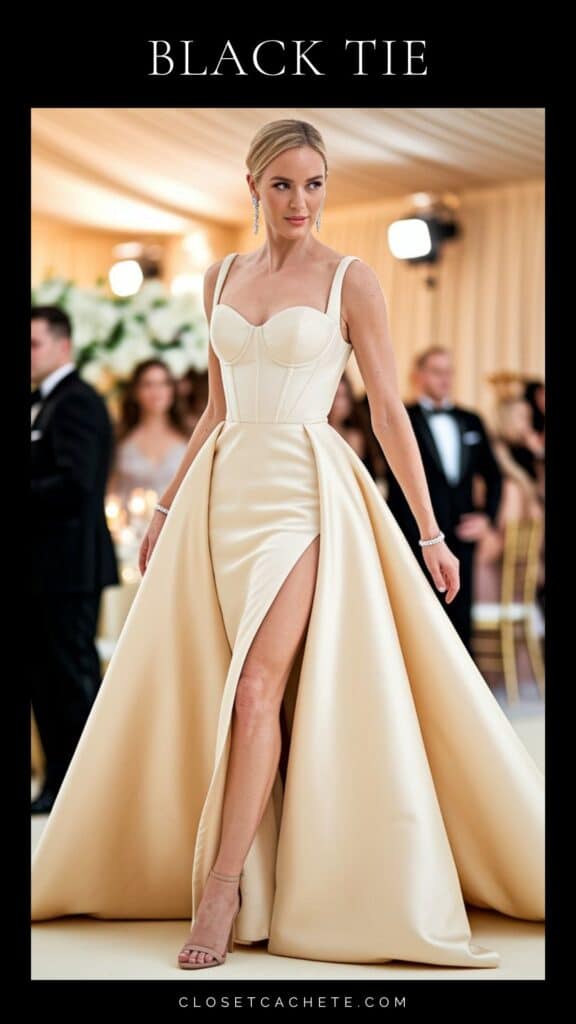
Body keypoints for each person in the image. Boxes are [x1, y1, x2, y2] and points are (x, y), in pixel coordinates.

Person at [31, 120, 544, 972]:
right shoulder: (220, 276)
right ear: (254, 188)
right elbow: (215, 408)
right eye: (283, 185)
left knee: (258, 689)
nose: (301, 201)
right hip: (224, 490)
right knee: (227, 686)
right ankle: (263, 868)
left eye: (314, 184)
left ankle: (223, 887)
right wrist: (165, 509)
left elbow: (388, 412)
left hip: (305, 491)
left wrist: (429, 529)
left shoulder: (352, 279)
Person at [30, 306, 119, 813]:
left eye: (34, 344)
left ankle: (85, 792)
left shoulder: (78, 401)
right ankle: (58, 783)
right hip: (46, 569)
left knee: (70, 679)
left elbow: (77, 484)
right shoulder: (45, 401)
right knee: (44, 679)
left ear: (64, 346)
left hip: (69, 568)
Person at [385, 346, 503, 653]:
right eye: (437, 371)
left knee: (460, 614)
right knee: (416, 613)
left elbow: (494, 475)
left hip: (462, 533)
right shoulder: (401, 419)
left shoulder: (471, 419)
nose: (445, 379)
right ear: (417, 376)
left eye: (449, 372)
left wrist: (487, 517)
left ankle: (462, 678)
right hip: (412, 533)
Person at [107, 359, 189, 511]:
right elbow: (109, 489)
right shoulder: (120, 438)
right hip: (128, 522)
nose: (156, 392)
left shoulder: (189, 437)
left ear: (172, 390)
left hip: (176, 522)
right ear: (135, 391)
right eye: (148, 384)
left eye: (163, 384)